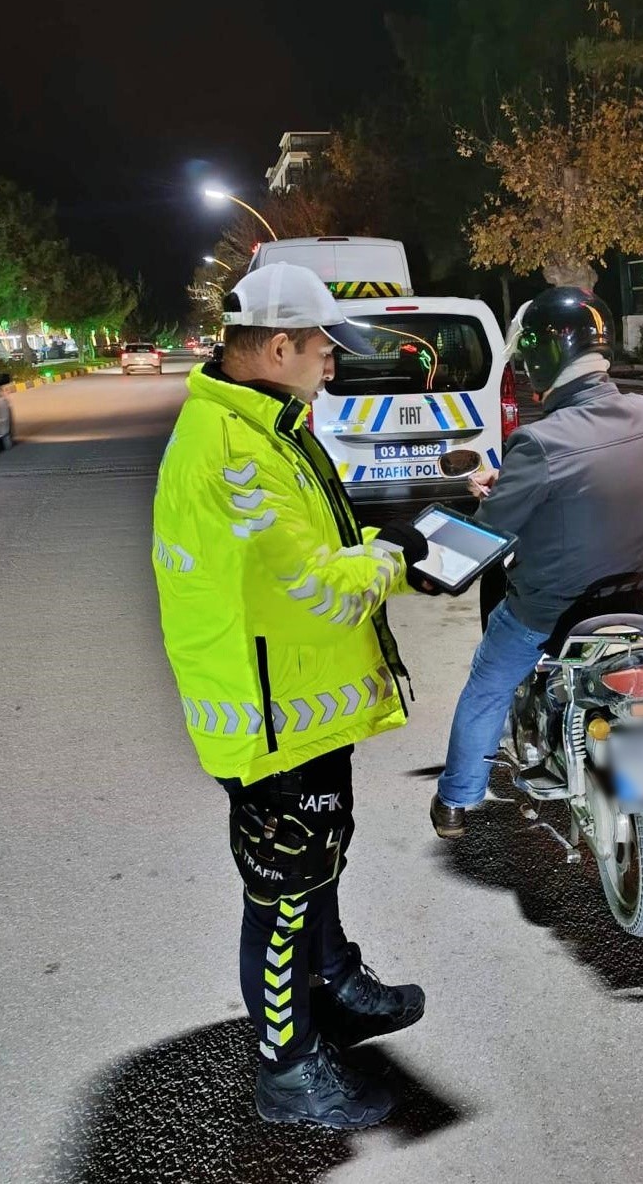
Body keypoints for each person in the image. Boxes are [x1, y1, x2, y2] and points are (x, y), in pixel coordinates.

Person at [152, 262, 433, 1130]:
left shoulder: (265, 423)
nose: (331, 364)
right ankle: (288, 1067)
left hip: (300, 702)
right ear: (277, 346)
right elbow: (323, 586)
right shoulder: (236, 449)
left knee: (318, 865)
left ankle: (334, 984)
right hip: (268, 722)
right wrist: (399, 552)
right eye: (321, 348)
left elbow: (313, 542)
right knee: (281, 895)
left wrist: (381, 537)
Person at [430, 286, 643, 839]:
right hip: (638, 596)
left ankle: (457, 799)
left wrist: (481, 502)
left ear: (541, 355)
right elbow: (592, 490)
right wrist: (514, 487)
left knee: (487, 682)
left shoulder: (537, 441)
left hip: (553, 609)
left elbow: (490, 533)